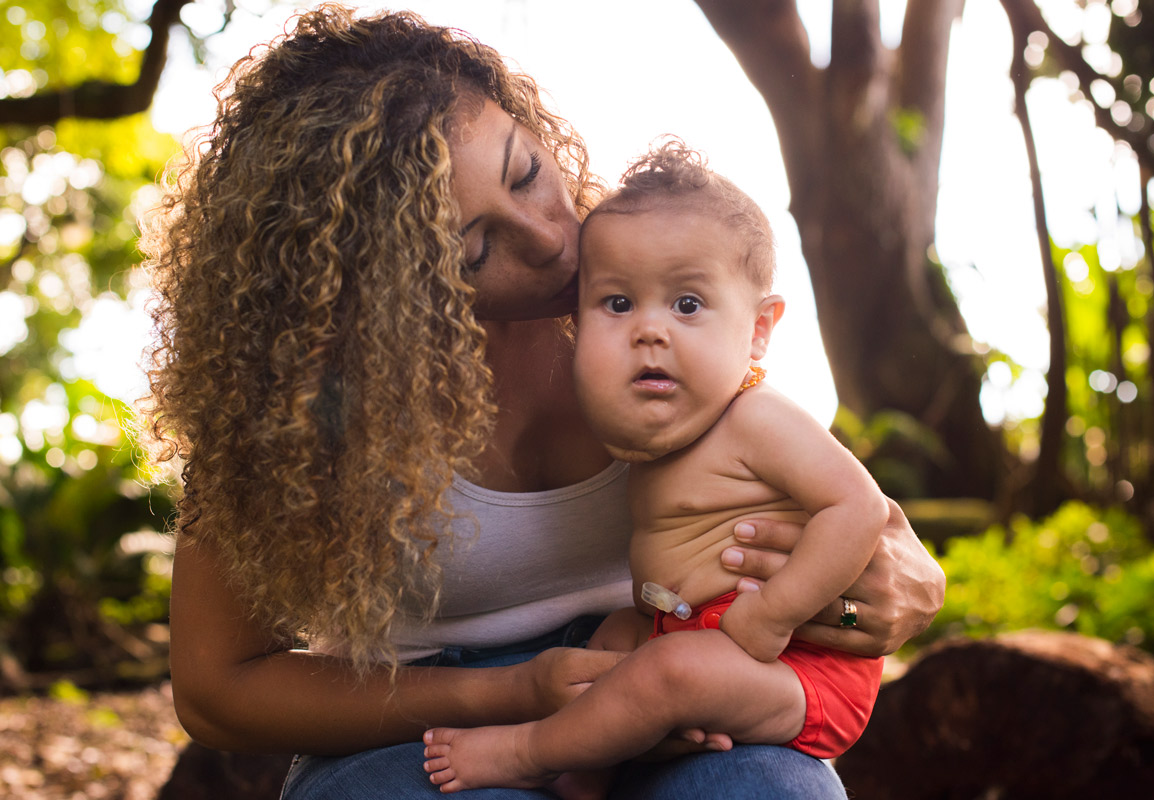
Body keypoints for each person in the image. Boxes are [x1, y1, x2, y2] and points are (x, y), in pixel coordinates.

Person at [138, 5, 945, 799]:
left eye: (526, 172)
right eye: (476, 249)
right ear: (380, 289)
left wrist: (896, 586)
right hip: (418, 720)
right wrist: (511, 695)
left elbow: (849, 518)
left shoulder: (663, 276)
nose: (552, 238)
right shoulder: (303, 401)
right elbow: (216, 690)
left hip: (669, 667)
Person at [421, 142, 889, 795]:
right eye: (618, 304)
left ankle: (530, 753)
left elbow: (861, 508)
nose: (649, 330)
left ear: (759, 329)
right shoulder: (649, 419)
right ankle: (590, 775)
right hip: (687, 628)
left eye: (687, 305)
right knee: (617, 639)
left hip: (797, 668)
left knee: (668, 674)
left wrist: (774, 614)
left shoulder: (758, 418)